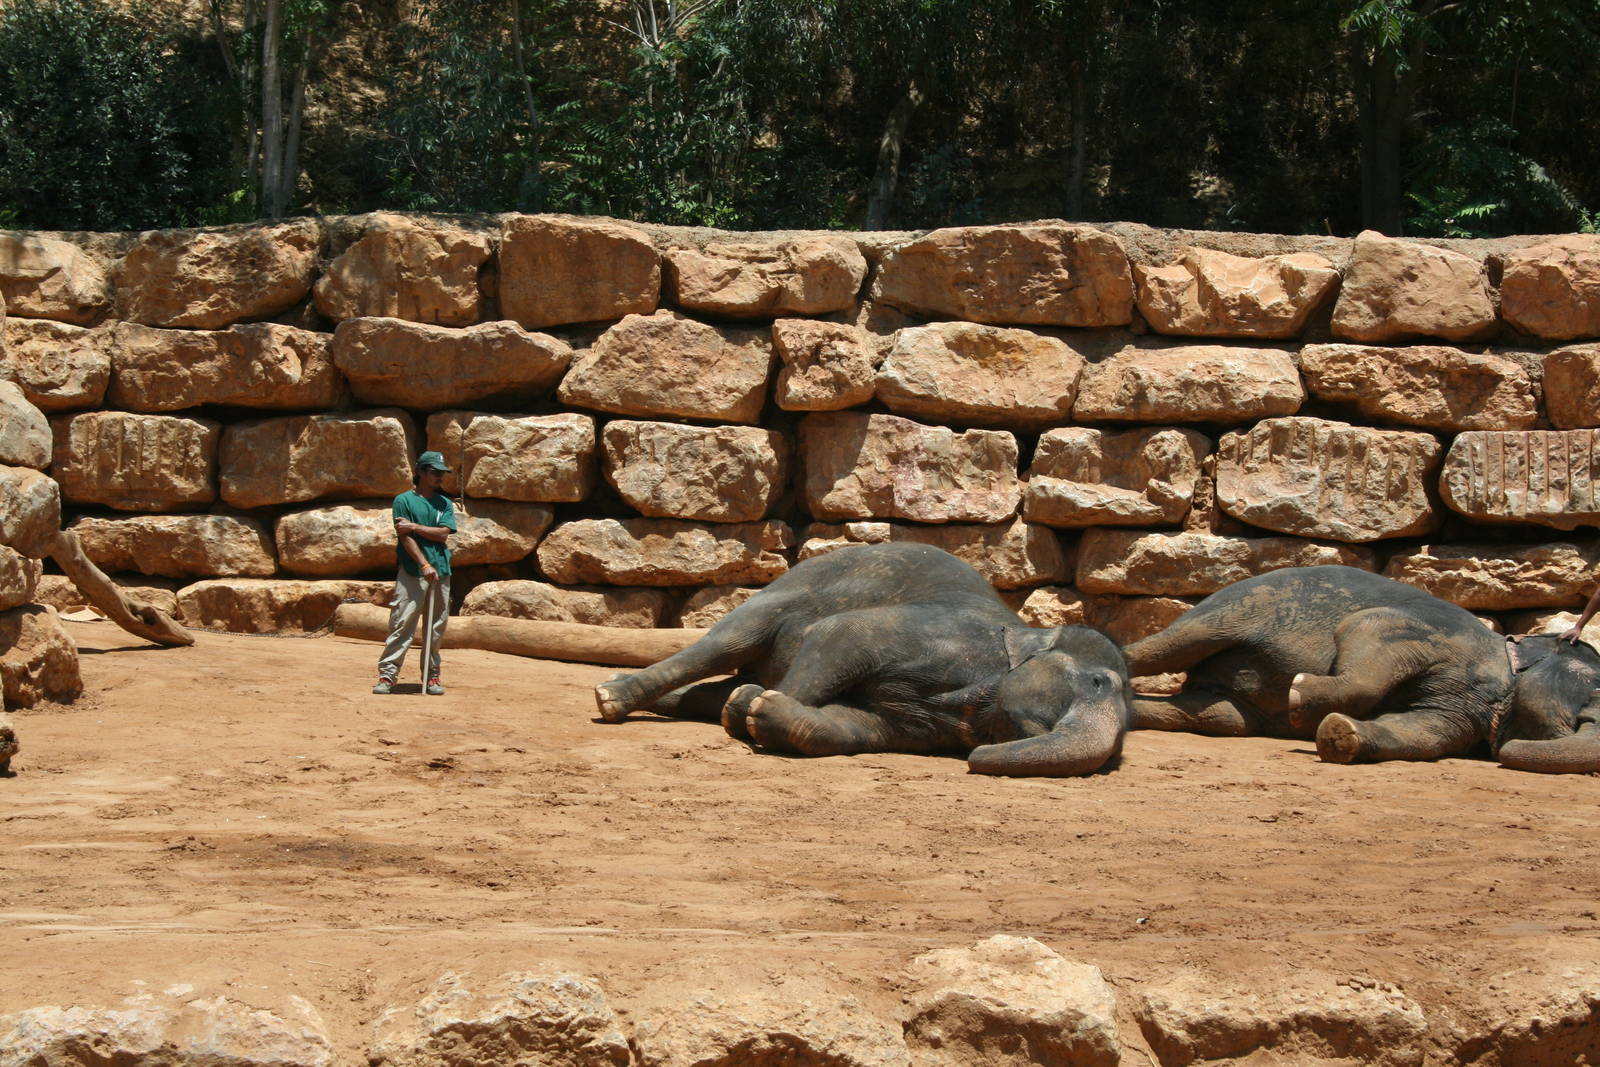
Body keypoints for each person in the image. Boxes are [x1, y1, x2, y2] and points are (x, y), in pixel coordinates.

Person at [373, 451, 456, 695]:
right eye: (434, 471)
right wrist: (423, 564)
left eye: (442, 472)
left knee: (435, 627)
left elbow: (443, 533)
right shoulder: (403, 500)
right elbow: (405, 537)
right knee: (402, 623)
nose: (440, 476)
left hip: (441, 570)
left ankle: (431, 676)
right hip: (413, 571)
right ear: (420, 471)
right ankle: (388, 675)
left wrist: (416, 526)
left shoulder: (444, 503)